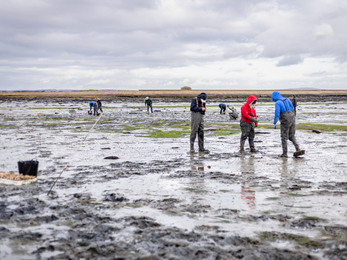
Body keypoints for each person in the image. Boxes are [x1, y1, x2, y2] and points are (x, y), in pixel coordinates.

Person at [272, 91, 305, 158]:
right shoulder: (287, 99)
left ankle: (284, 153)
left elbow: (277, 114)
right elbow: (293, 108)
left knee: (284, 137)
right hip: (292, 118)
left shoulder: (277, 103)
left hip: (285, 120)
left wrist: (274, 123)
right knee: (291, 135)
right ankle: (298, 148)